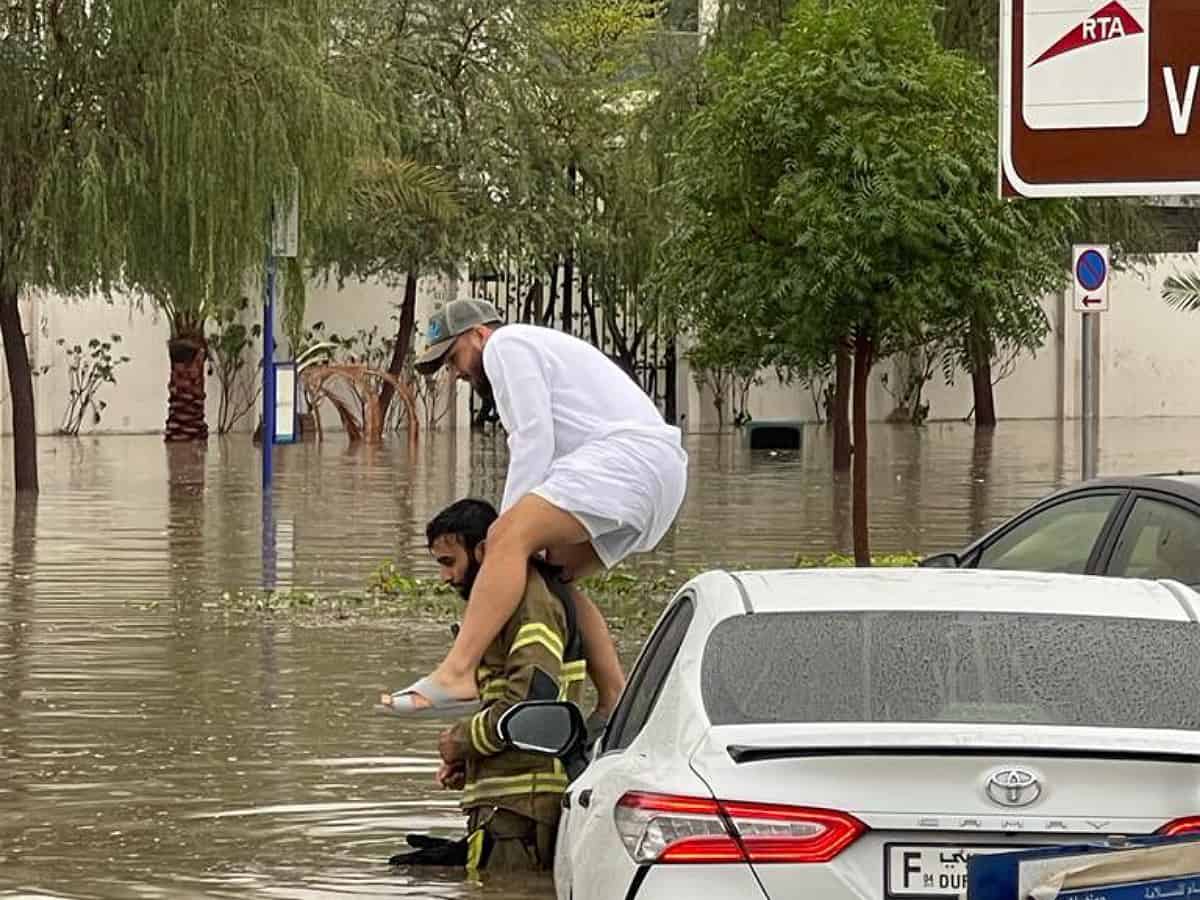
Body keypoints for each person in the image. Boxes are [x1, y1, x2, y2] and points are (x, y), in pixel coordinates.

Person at [381, 299, 687, 723]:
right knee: (550, 572)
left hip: (627, 459)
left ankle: (457, 671)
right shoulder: (536, 350)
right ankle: (615, 696)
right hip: (660, 475)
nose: (459, 374)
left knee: (509, 540)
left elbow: (532, 437)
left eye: (455, 358)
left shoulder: (506, 344)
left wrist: (505, 530)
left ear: (478, 335)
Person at [386, 498, 585, 874]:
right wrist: (470, 760)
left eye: (449, 562)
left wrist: (457, 741)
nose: (445, 577)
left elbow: (529, 703)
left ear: (482, 551)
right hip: (510, 811)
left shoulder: (528, 600)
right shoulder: (511, 601)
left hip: (522, 813)